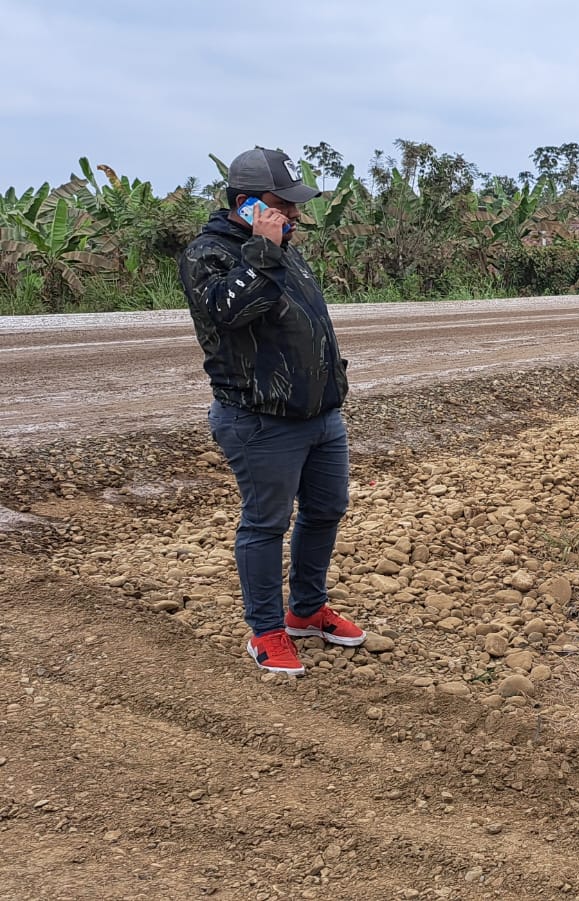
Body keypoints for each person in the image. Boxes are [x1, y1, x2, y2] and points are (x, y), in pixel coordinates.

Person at [179, 146, 366, 676]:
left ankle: (306, 612)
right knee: (265, 524)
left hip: (319, 414)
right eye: (282, 205)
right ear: (246, 204)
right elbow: (228, 311)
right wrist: (263, 250)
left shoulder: (283, 247)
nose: (295, 213)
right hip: (260, 418)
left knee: (326, 509)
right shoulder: (208, 253)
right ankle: (265, 632)